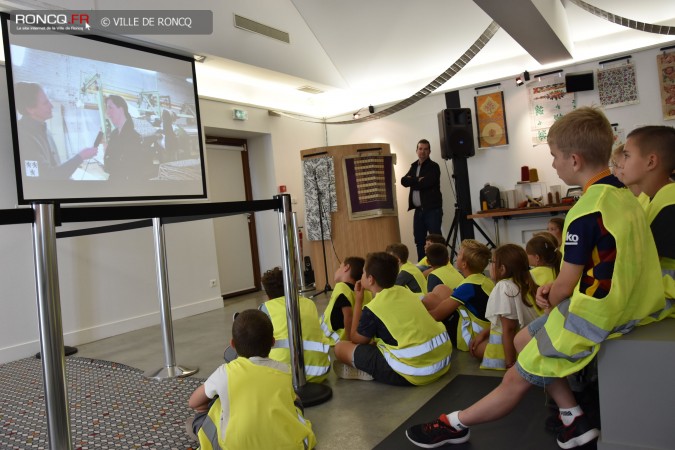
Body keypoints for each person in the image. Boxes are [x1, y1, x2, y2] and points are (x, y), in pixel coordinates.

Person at [405, 107, 665, 449]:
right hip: (636, 302)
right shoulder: (627, 197)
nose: (553, 164)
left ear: (574, 160)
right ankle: (573, 418)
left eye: (555, 157)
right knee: (523, 340)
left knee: (514, 378)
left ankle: (455, 424)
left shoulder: (584, 211)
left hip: (598, 314)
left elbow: (565, 286)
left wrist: (549, 296)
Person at [187, 309, 316, 449]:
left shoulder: (225, 372)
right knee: (294, 400)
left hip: (234, 446)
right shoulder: (284, 370)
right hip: (287, 445)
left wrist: (205, 408)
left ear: (232, 344)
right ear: (273, 342)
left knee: (210, 407)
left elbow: (194, 402)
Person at [333, 252, 452, 386]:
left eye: (363, 273)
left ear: (370, 279)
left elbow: (355, 338)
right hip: (443, 361)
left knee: (340, 348)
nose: (361, 276)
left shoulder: (373, 308)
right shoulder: (404, 291)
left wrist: (358, 300)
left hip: (415, 372)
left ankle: (368, 371)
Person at [618, 125, 675, 320]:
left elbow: (640, 267)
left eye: (626, 156)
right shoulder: (647, 198)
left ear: (651, 161)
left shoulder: (670, 206)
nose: (621, 164)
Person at [470, 244, 541, 371]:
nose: (490, 266)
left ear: (502, 269)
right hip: (533, 341)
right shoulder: (525, 280)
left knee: (477, 349)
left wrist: (510, 365)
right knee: (481, 340)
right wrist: (482, 334)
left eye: (492, 262)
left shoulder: (504, 287)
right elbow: (503, 322)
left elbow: (509, 329)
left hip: (519, 348)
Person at [259, 267, 331, 382]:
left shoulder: (266, 308)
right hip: (320, 371)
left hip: (283, 376)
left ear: (268, 295)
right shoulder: (309, 303)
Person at [14, 82, 98, 180]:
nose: (51, 106)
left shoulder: (43, 129)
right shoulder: (23, 137)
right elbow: (46, 178)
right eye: (45, 103)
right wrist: (80, 157)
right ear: (30, 109)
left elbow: (54, 166)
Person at [422, 239, 493, 351]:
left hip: (470, 334)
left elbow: (437, 315)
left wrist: (416, 316)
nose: (456, 256)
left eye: (459, 254)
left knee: (429, 299)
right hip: (485, 327)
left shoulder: (468, 286)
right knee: (441, 289)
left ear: (464, 264)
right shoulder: (483, 279)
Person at [401, 139, 444, 261]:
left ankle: (439, 266)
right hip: (418, 210)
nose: (422, 152)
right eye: (420, 149)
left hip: (432, 210)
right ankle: (422, 267)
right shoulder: (414, 166)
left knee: (435, 241)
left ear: (429, 151)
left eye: (425, 149)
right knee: (419, 241)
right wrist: (417, 180)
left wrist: (413, 181)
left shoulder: (434, 166)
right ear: (416, 151)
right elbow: (403, 181)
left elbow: (427, 183)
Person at [103, 95, 150, 181]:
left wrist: (109, 154)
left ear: (121, 109)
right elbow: (108, 166)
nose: (107, 112)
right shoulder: (114, 134)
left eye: (110, 108)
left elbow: (130, 168)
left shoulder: (134, 135)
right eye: (107, 108)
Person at [319, 256, 365, 345]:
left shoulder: (342, 288)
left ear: (346, 268)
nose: (337, 270)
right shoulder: (365, 292)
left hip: (334, 340)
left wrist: (350, 342)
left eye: (339, 267)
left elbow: (348, 317)